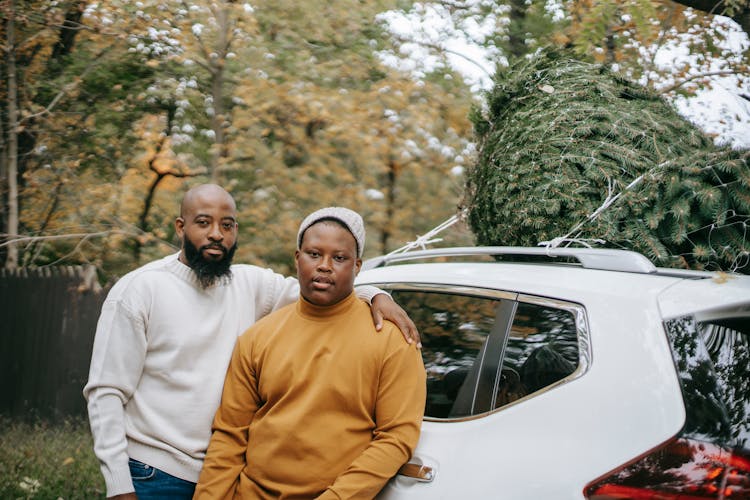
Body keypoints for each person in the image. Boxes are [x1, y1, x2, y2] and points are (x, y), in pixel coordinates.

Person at [83, 185, 420, 500]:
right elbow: (106, 392)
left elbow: (324, 289)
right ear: (180, 227)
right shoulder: (140, 290)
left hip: (221, 475)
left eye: (227, 225)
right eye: (204, 222)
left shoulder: (249, 282)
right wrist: (118, 487)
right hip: (155, 472)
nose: (216, 233)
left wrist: (377, 295)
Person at [194, 207, 426, 499]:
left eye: (339, 258)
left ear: (357, 266)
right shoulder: (258, 336)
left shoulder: (393, 339)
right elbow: (229, 436)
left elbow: (396, 438)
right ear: (297, 258)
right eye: (314, 254)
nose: (324, 266)